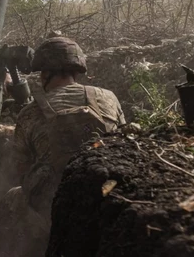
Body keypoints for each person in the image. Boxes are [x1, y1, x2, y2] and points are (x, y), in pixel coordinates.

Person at [9, 36, 127, 256]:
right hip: (108, 194)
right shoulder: (108, 97)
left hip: (55, 208)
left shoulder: (30, 113)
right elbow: (125, 143)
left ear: (44, 73)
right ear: (76, 68)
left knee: (15, 195)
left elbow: (21, 169)